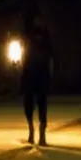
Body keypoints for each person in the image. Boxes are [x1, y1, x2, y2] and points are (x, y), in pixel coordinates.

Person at [20, 13, 54, 146]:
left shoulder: (46, 39)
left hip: (41, 75)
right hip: (29, 74)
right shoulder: (27, 37)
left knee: (42, 104)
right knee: (28, 104)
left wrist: (51, 74)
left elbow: (52, 57)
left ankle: (42, 133)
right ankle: (31, 129)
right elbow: (23, 56)